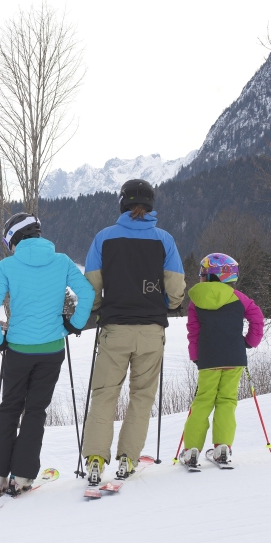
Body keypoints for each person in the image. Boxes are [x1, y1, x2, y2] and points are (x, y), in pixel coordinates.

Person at [0, 213, 95, 497]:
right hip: (52, 349)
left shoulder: (7, 266)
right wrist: (73, 324)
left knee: (9, 408)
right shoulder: (62, 261)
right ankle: (21, 477)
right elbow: (88, 294)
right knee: (35, 412)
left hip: (18, 349)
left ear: (14, 238)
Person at [81, 179, 185, 485]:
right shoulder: (164, 240)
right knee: (142, 396)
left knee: (104, 395)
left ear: (122, 203)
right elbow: (176, 289)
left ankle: (96, 459)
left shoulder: (104, 238)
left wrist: (100, 306)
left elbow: (92, 286)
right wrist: (166, 304)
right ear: (150, 204)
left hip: (115, 329)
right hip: (151, 329)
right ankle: (128, 458)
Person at [180, 253, 265, 467]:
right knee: (227, 401)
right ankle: (222, 449)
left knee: (203, 402)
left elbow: (194, 331)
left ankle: (191, 451)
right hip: (235, 356)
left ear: (209, 276)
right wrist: (250, 342)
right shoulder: (239, 298)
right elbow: (257, 317)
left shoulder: (195, 301)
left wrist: (195, 354)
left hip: (208, 358)